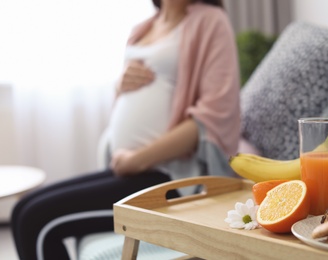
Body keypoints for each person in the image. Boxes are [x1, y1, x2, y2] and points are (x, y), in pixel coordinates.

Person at [11, 0, 240, 259]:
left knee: (37, 220)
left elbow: (212, 117)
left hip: (170, 178)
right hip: (131, 169)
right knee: (22, 209)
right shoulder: (143, 27)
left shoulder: (210, 21)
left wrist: (137, 160)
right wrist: (120, 85)